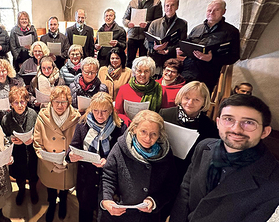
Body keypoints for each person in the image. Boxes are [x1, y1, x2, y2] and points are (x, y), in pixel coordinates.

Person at [170, 94, 279, 222]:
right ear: (218, 123)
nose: (236, 129)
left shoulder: (273, 179)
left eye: (249, 122)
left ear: (265, 132)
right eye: (228, 119)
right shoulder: (204, 147)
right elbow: (186, 189)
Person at [100, 110, 177, 222]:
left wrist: (154, 201)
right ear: (134, 129)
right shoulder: (120, 147)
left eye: (153, 134)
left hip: (148, 218)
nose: (147, 138)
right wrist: (106, 199)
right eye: (143, 131)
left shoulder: (166, 154)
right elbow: (108, 176)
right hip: (119, 214)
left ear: (159, 134)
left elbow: (170, 185)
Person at [159, 81, 218, 220]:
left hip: (186, 174)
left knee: (177, 210)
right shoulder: (165, 114)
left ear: (204, 103)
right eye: (187, 98)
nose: (190, 102)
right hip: (163, 169)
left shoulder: (209, 126)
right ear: (180, 97)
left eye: (196, 99)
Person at [67, 92, 127, 222]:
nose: (99, 115)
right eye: (96, 111)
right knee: (85, 213)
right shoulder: (83, 123)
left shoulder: (120, 128)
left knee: (104, 215)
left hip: (109, 181)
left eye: (104, 111)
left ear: (111, 110)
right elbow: (73, 146)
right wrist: (70, 155)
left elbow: (124, 158)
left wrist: (109, 161)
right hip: (86, 179)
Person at [33, 86, 81, 222]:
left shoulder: (76, 118)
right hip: (48, 163)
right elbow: (37, 143)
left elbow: (79, 143)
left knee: (65, 188)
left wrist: (70, 159)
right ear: (51, 102)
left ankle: (64, 202)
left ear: (69, 102)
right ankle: (52, 204)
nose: (60, 105)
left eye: (63, 102)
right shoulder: (42, 117)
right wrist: (50, 164)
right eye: (56, 101)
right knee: (51, 189)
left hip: (68, 164)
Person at [179, 0, 240, 92]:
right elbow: (187, 44)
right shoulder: (197, 28)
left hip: (208, 73)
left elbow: (234, 56)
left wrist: (212, 59)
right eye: (209, 10)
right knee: (183, 96)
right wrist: (181, 50)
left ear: (223, 12)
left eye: (216, 10)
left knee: (200, 101)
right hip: (188, 70)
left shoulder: (231, 32)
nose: (211, 12)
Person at [1, 87, 39, 205]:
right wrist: (11, 139)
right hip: (17, 154)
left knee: (33, 175)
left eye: (22, 101)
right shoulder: (6, 118)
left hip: (32, 153)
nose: (20, 105)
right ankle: (21, 190)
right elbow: (3, 137)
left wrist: (33, 138)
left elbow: (40, 132)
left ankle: (33, 190)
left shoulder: (33, 114)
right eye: (16, 102)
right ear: (11, 104)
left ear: (27, 101)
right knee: (19, 176)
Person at [123, 0, 163, 68]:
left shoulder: (156, 3)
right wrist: (128, 23)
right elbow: (124, 19)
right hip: (132, 35)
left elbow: (158, 21)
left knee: (143, 61)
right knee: (129, 60)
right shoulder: (132, 2)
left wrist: (147, 24)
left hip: (145, 37)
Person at [115, 56, 164, 125]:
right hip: (128, 126)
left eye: (146, 71)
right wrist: (129, 123)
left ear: (151, 72)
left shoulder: (158, 88)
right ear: (135, 71)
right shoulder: (124, 89)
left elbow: (162, 113)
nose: (142, 74)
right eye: (139, 71)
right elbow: (117, 112)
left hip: (150, 127)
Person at [145, 0, 188, 76]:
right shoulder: (155, 23)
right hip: (155, 59)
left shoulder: (182, 24)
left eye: (172, 5)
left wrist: (168, 50)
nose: (169, 8)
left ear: (177, 7)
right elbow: (146, 41)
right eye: (167, 5)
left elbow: (182, 43)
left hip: (171, 59)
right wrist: (154, 48)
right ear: (164, 7)